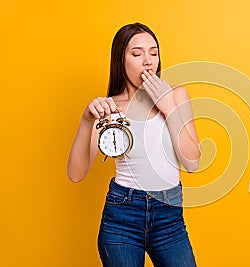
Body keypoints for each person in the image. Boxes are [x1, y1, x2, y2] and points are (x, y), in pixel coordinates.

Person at [67, 22, 201, 267]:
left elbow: (192, 163)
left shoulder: (176, 95)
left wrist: (168, 106)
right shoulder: (110, 108)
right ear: (121, 60)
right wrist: (86, 121)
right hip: (122, 218)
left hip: (169, 219)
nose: (148, 61)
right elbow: (76, 174)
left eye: (154, 52)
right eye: (137, 54)